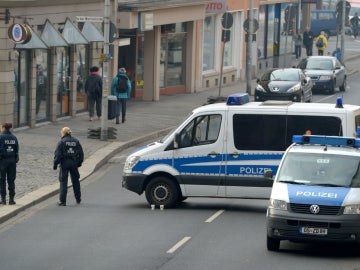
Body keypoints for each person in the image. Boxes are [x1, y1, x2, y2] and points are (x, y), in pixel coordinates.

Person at [53, 127, 84, 206]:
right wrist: (79, 163)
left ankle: (63, 201)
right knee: (76, 181)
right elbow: (81, 154)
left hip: (64, 163)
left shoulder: (61, 142)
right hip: (74, 163)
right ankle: (78, 198)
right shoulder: (76, 141)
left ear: (63, 133)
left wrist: (55, 164)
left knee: (63, 182)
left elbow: (58, 154)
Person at [0, 123, 19, 205]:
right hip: (12, 161)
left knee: (2, 180)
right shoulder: (14, 138)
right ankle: (11, 199)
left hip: (3, 161)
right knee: (11, 180)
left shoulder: (1, 137)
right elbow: (16, 149)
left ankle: (3, 199)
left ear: (3, 128)